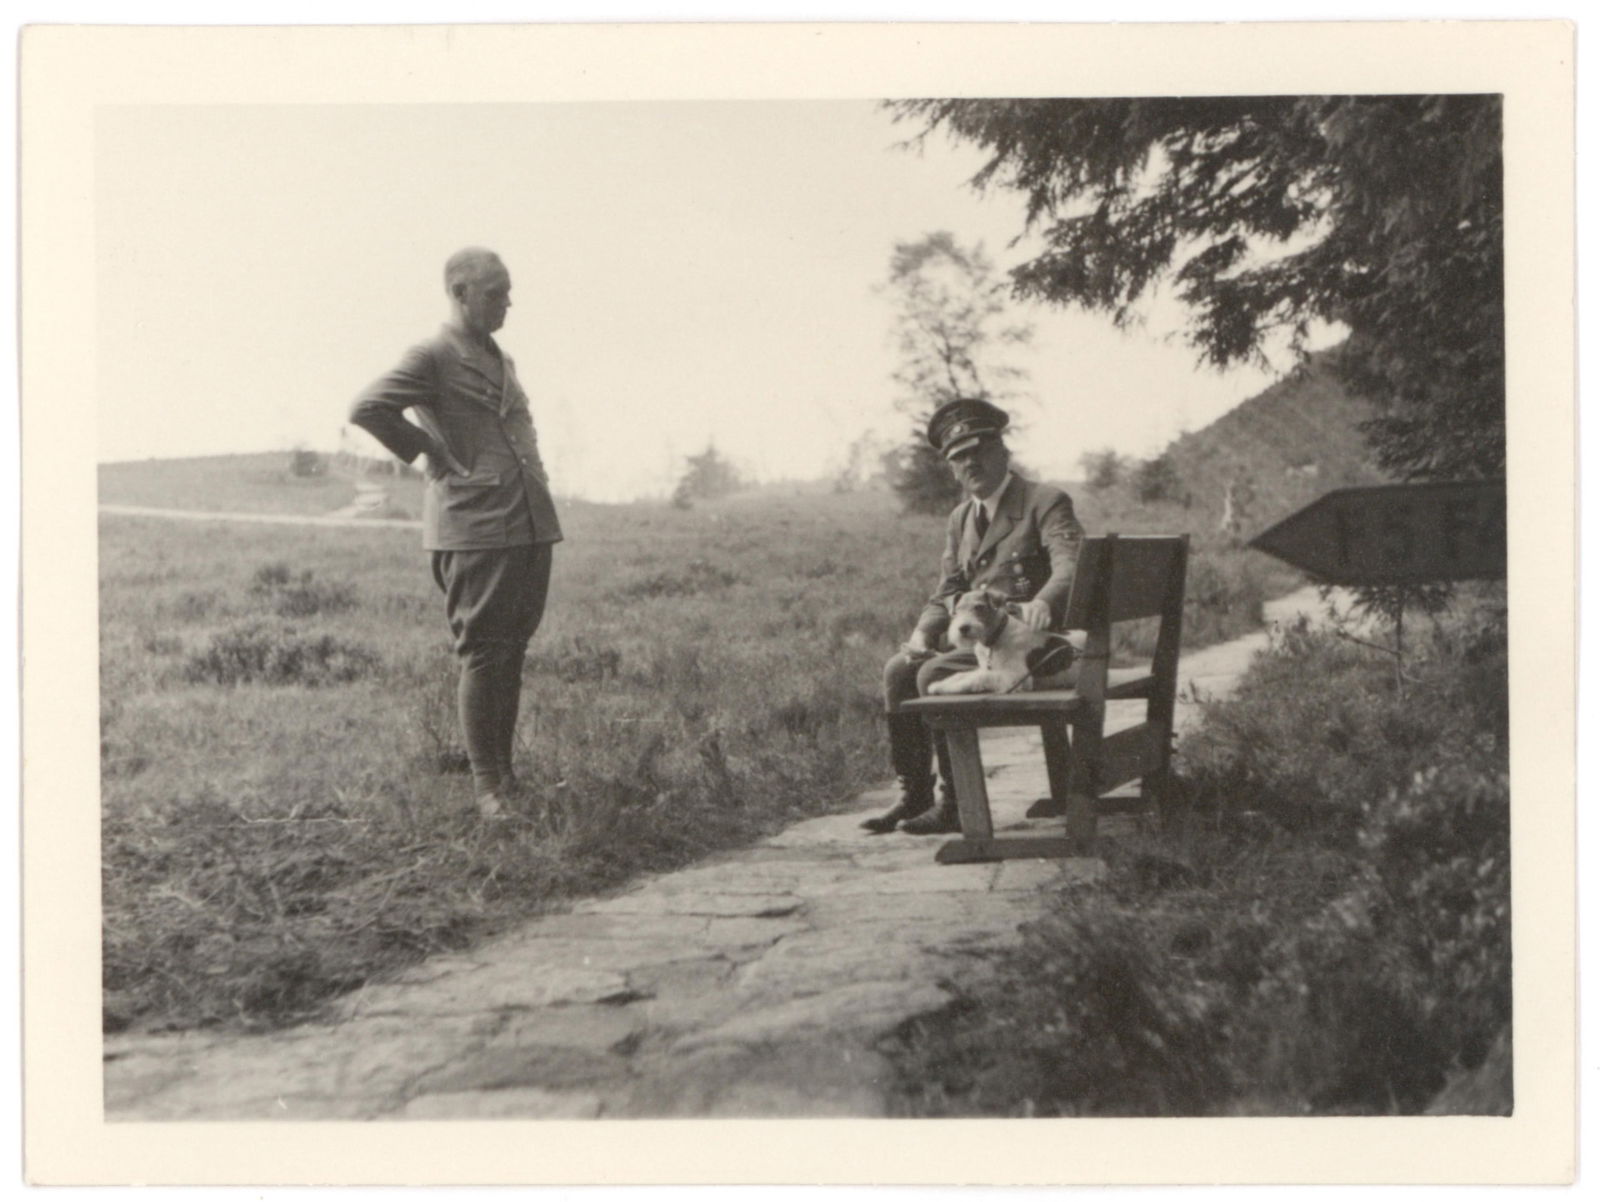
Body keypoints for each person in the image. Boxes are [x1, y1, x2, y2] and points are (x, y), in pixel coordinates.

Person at [349, 248, 563, 819]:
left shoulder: (501, 358)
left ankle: (508, 779)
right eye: (495, 292)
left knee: (511, 651)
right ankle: (488, 787)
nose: (507, 302)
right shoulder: (432, 354)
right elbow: (369, 407)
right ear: (460, 292)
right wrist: (428, 452)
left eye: (508, 291)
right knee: (484, 654)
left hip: (525, 522)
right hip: (473, 525)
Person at [863, 398, 1086, 836]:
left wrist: (1044, 600)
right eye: (957, 457)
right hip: (982, 644)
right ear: (950, 467)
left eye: (978, 451)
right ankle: (915, 795)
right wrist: (923, 631)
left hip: (1034, 651)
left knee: (931, 676)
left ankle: (958, 804)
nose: (970, 464)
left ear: (1003, 451)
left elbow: (1071, 564)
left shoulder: (1044, 501)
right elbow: (947, 588)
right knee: (899, 670)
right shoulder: (961, 517)